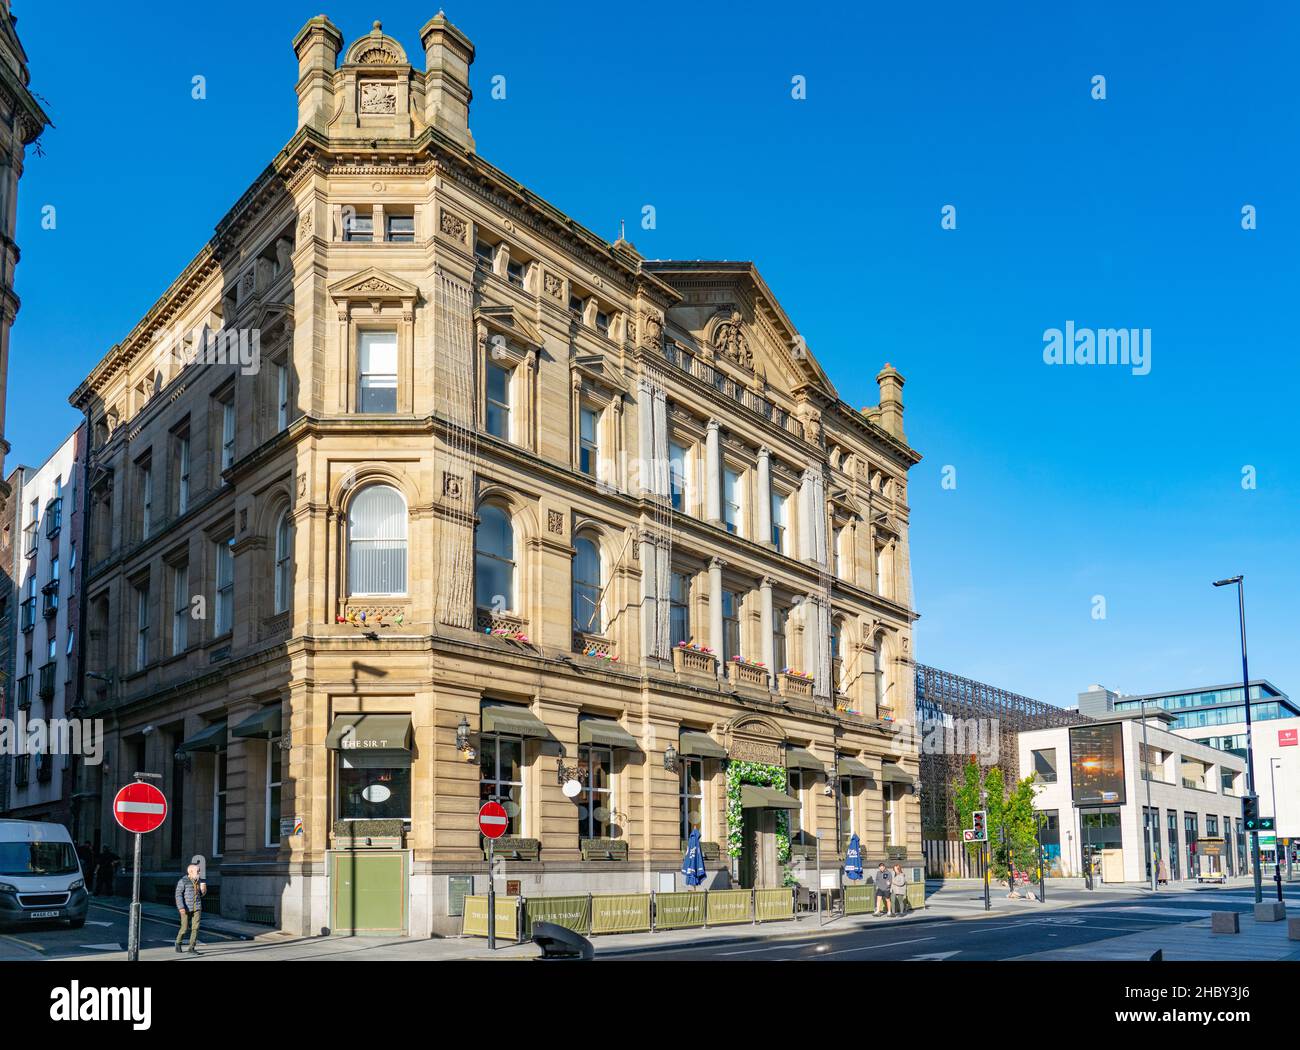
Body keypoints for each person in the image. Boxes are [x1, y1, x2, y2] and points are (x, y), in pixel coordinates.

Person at [174, 860, 207, 955]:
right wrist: (181, 907)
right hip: (185, 908)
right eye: (198, 871)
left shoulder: (198, 881)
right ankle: (178, 942)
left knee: (195, 928)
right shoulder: (183, 881)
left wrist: (203, 890)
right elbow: (178, 895)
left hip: (197, 907)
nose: (199, 872)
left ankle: (191, 948)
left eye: (199, 871)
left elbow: (200, 894)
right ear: (191, 872)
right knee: (184, 928)